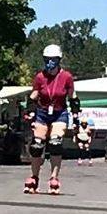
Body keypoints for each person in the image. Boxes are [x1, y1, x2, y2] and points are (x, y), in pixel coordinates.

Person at [25, 41, 80, 195]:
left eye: (53, 59)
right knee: (37, 145)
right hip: (42, 113)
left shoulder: (67, 77)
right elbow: (33, 96)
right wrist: (29, 111)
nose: (50, 63)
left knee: (55, 143)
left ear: (58, 60)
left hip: (59, 113)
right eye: (47, 59)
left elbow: (73, 97)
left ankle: (54, 177)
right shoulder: (40, 77)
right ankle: (34, 177)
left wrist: (76, 117)